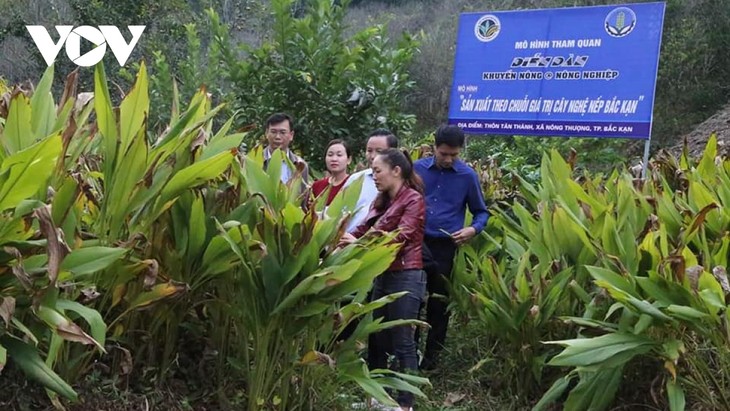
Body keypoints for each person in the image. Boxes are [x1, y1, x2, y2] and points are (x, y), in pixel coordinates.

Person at [340, 149, 426, 411]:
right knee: (375, 336)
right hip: (382, 274)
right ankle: (376, 397)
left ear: (396, 171)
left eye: (377, 171)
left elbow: (402, 236)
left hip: (406, 275)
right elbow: (362, 228)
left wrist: (360, 243)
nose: (373, 176)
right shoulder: (382, 201)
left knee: (402, 339)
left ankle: (405, 404)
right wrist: (337, 240)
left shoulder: (413, 200)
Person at [413, 125, 489, 371]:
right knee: (411, 300)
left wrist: (473, 229)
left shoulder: (467, 176)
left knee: (439, 304)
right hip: (415, 242)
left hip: (445, 246)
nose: (448, 159)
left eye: (453, 155)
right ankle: (408, 357)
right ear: (434, 147)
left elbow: (481, 213)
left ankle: (431, 361)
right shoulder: (416, 170)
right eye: (444, 153)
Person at [343, 129, 399, 232]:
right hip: (347, 243)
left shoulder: (400, 184)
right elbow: (341, 212)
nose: (373, 156)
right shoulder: (356, 179)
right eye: (369, 150)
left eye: (379, 151)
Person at [262, 112, 310, 184]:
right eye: (273, 132)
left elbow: (304, 194)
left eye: (282, 132)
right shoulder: (253, 161)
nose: (277, 137)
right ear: (266, 133)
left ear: (291, 135)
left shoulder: (300, 165)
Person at [310, 139, 351, 206]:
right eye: (330, 155)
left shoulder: (353, 183)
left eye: (339, 155)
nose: (334, 159)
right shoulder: (317, 186)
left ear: (349, 160)